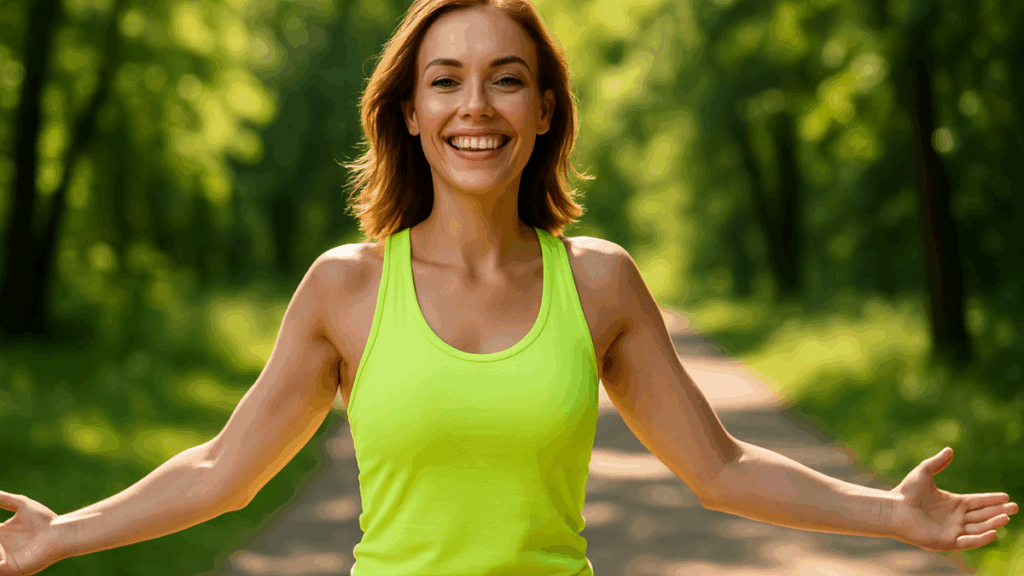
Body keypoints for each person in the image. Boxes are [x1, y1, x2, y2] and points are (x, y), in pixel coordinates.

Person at [0, 0, 1018, 574]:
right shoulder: (345, 288)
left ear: (542, 111)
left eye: (505, 77)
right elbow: (226, 469)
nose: (473, 105)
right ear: (405, 111)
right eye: (444, 78)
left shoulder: (601, 284)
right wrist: (60, 534)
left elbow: (719, 468)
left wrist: (892, 515)